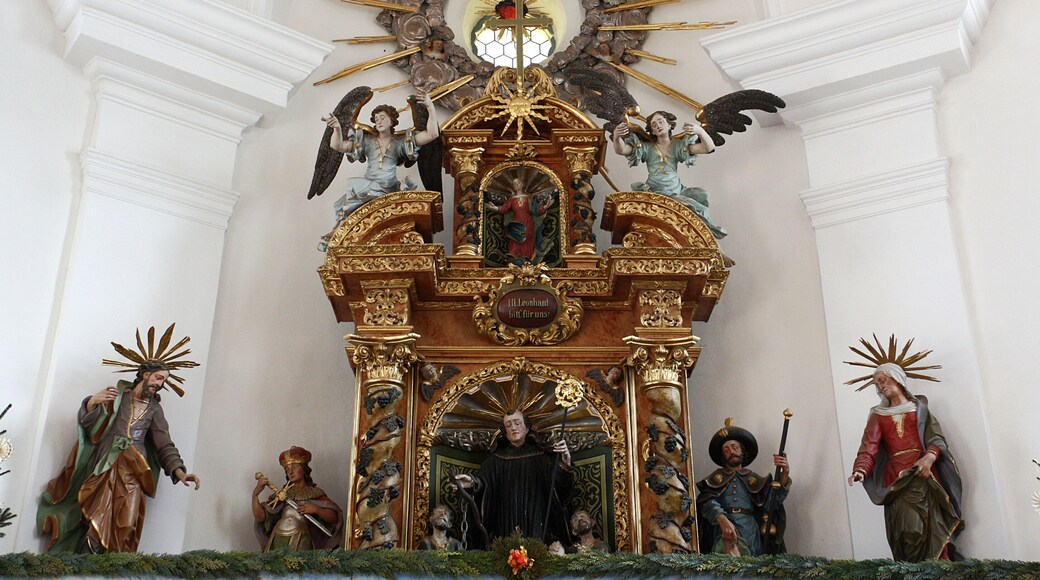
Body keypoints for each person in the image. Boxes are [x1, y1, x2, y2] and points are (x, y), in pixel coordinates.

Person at [37, 361, 200, 553]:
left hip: (134, 470)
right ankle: (84, 567)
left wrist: (180, 472)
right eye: (158, 377)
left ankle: (115, 569)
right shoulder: (118, 398)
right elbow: (91, 429)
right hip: (106, 464)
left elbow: (163, 443)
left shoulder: (155, 409)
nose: (160, 383)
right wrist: (91, 403)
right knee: (96, 518)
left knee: (127, 523)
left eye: (164, 380)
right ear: (145, 374)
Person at [847, 363, 963, 561]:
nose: (881, 386)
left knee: (932, 527)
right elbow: (869, 447)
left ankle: (939, 568)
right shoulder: (878, 415)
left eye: (884, 380)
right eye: (877, 383)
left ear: (897, 378)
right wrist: (861, 470)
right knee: (907, 531)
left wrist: (929, 457)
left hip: (923, 475)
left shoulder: (920, 409)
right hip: (897, 481)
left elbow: (936, 439)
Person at [455, 410, 572, 545]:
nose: (514, 428)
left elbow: (559, 488)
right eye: (509, 425)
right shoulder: (496, 459)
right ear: (505, 431)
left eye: (517, 423)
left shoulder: (542, 458)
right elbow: (484, 482)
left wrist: (565, 461)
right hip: (505, 518)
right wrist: (471, 483)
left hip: (535, 517)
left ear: (527, 428)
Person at [611, 111, 727, 239]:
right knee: (698, 208)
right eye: (654, 125)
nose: (658, 126)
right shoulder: (646, 147)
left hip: (676, 189)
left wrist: (700, 132)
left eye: (661, 122)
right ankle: (708, 238)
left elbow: (708, 148)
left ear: (669, 125)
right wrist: (616, 137)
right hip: (655, 189)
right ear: (652, 131)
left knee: (702, 195)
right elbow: (621, 150)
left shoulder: (678, 145)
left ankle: (707, 239)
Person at [323, 92, 439, 218]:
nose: (379, 121)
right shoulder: (366, 141)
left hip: (389, 187)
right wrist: (337, 128)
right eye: (376, 119)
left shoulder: (400, 143)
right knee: (352, 185)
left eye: (382, 118)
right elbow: (337, 146)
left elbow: (432, 134)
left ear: (392, 121)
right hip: (368, 186)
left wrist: (430, 107)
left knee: (353, 186)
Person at [696, 420, 790, 556]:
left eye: (734, 447)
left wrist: (784, 474)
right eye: (726, 450)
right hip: (723, 529)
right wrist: (721, 519)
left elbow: (772, 503)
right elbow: (706, 501)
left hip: (749, 529)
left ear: (742, 450)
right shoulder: (715, 479)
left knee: (752, 569)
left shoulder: (754, 480)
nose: (731, 452)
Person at [252, 446, 343, 551]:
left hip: (302, 537)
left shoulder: (315, 493)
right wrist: (255, 494)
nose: (290, 472)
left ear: (304, 469)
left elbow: (334, 518)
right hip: (278, 537)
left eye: (294, 467)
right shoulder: (281, 495)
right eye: (287, 469)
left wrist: (317, 510)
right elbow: (260, 517)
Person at [485, 177, 556, 263]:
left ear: (522, 184)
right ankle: (514, 255)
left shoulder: (529, 198)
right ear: (513, 187)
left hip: (528, 222)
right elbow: (503, 209)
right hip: (516, 222)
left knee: (527, 238)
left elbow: (536, 209)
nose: (517, 185)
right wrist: (494, 207)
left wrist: (546, 206)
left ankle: (527, 257)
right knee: (515, 238)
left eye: (518, 183)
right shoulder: (512, 199)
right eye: (515, 184)